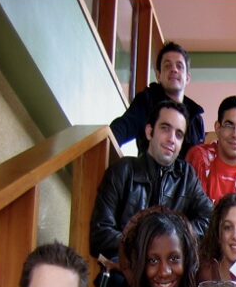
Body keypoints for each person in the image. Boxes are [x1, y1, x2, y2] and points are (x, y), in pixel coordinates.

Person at [89, 100, 214, 262]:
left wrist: (176, 239)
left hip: (170, 271)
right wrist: (148, 247)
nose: (172, 139)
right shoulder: (122, 171)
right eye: (165, 128)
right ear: (149, 132)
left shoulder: (187, 177)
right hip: (127, 269)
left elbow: (210, 218)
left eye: (179, 134)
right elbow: (100, 234)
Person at [109, 41, 206, 162]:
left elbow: (199, 161)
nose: (174, 69)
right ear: (159, 75)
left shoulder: (196, 118)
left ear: (187, 78)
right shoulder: (147, 100)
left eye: (179, 66)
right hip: (149, 172)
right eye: (167, 66)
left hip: (186, 174)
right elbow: (121, 129)